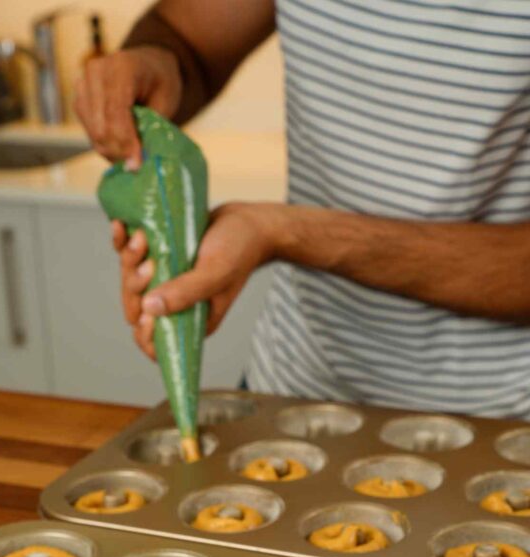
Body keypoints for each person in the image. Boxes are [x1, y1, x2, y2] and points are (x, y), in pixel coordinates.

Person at [75, 1, 530, 416]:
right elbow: (187, 37)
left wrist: (285, 234)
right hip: (297, 385)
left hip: (503, 419)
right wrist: (157, 61)